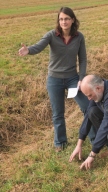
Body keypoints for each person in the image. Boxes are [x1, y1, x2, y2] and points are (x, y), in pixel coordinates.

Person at [18, 7, 95, 152]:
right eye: (61, 19)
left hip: (73, 79)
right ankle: (60, 142)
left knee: (87, 107)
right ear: (58, 21)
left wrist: (81, 78)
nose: (64, 22)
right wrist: (28, 50)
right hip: (55, 80)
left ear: (73, 20)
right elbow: (38, 46)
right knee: (58, 112)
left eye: (66, 19)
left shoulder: (79, 37)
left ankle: (94, 138)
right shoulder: (52, 35)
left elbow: (83, 59)